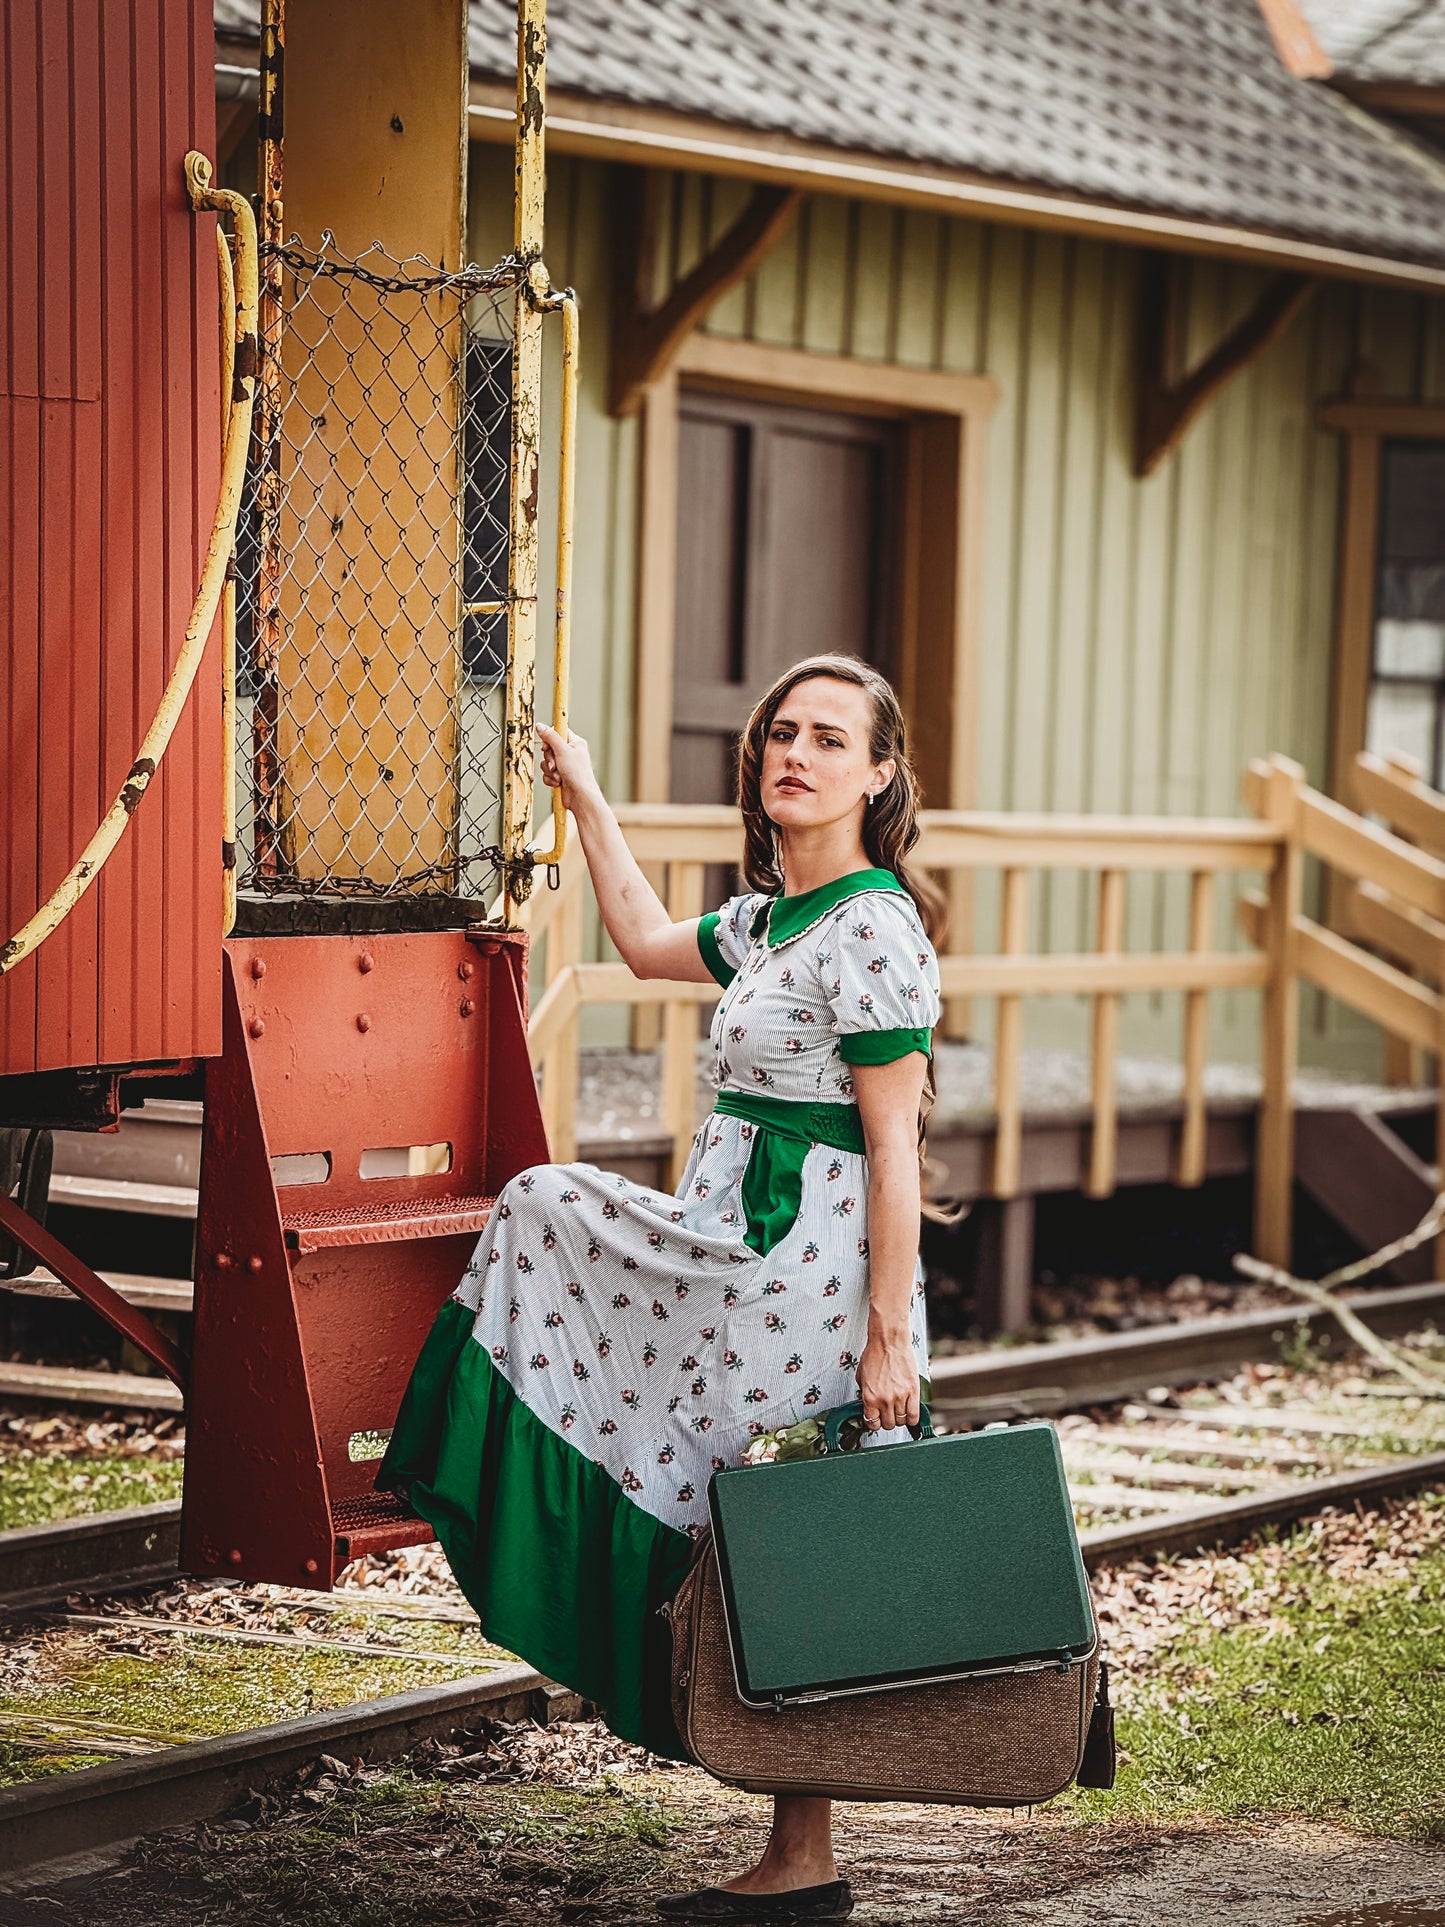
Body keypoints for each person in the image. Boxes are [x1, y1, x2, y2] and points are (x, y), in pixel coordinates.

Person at [380, 653, 942, 1923]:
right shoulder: (772, 920)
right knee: (739, 1516)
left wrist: (885, 1338)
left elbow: (895, 1144)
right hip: (724, 1249)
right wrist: (582, 795)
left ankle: (805, 1860)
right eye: (780, 734)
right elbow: (639, 940)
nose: (794, 754)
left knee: (783, 1527)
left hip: (802, 1274)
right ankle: (802, 1861)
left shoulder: (871, 926)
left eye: (828, 740)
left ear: (878, 774)